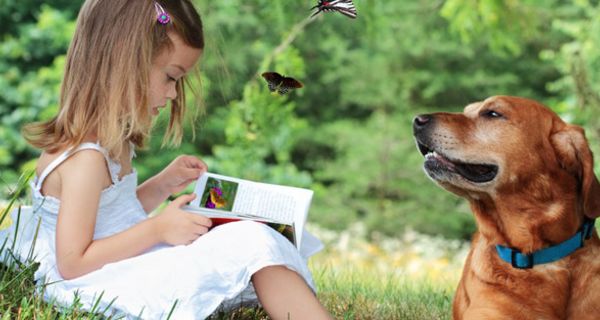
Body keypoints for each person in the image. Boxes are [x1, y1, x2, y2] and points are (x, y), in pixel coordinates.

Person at [4, 0, 332, 319]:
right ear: (123, 62)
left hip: (117, 265)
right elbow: (73, 263)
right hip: (97, 282)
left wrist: (162, 185)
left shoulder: (111, 141)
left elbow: (110, 217)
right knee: (252, 240)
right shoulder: (85, 159)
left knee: (250, 235)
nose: (174, 94)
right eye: (171, 77)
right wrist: (158, 230)